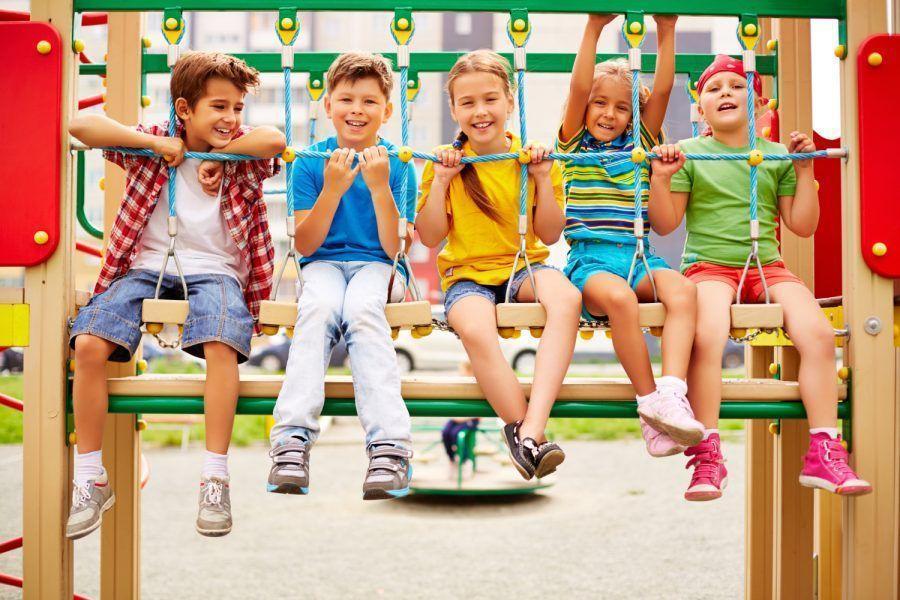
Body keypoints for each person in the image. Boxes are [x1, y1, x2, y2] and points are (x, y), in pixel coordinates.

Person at [67, 51, 285, 537]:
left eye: (238, 108)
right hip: (147, 268)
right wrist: (157, 143)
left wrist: (224, 156)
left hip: (216, 273)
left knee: (221, 344)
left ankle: (214, 475)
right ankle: (90, 477)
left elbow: (276, 139)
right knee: (88, 345)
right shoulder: (151, 145)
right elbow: (82, 125)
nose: (231, 119)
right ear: (185, 110)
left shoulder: (241, 159)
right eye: (219, 108)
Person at [649, 54, 872, 500]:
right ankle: (708, 453)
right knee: (706, 336)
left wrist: (804, 168)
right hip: (708, 267)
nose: (725, 94)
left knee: (818, 335)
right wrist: (661, 177)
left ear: (758, 103)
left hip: (766, 265)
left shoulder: (775, 157)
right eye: (714, 89)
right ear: (700, 110)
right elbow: (666, 222)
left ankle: (824, 449)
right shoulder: (691, 154)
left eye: (736, 86)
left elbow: (803, 225)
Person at [416, 50, 582, 481]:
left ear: (510, 100)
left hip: (523, 268)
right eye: (467, 103)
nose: (480, 111)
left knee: (566, 299)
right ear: (453, 109)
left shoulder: (532, 160)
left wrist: (544, 179)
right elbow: (430, 236)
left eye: (490, 99)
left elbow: (549, 234)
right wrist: (442, 184)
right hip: (467, 276)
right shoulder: (443, 163)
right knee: (474, 326)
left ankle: (532, 428)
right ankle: (528, 438)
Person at [267, 52, 417, 500]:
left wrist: (378, 186)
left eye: (370, 101)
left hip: (379, 265)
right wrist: (332, 189)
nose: (357, 109)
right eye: (346, 99)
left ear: (387, 111)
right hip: (323, 265)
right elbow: (307, 246)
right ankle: (291, 440)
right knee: (317, 308)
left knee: (362, 311)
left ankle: (389, 446)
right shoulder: (310, 163)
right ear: (327, 105)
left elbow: (394, 249)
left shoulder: (399, 163)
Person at [558, 15, 702, 457]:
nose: (609, 113)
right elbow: (578, 88)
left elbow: (661, 91)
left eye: (621, 107)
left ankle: (672, 393)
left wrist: (667, 28)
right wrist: (594, 28)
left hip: (640, 256)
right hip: (591, 263)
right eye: (600, 104)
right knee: (620, 300)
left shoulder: (639, 143)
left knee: (682, 290)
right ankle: (649, 403)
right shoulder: (573, 144)